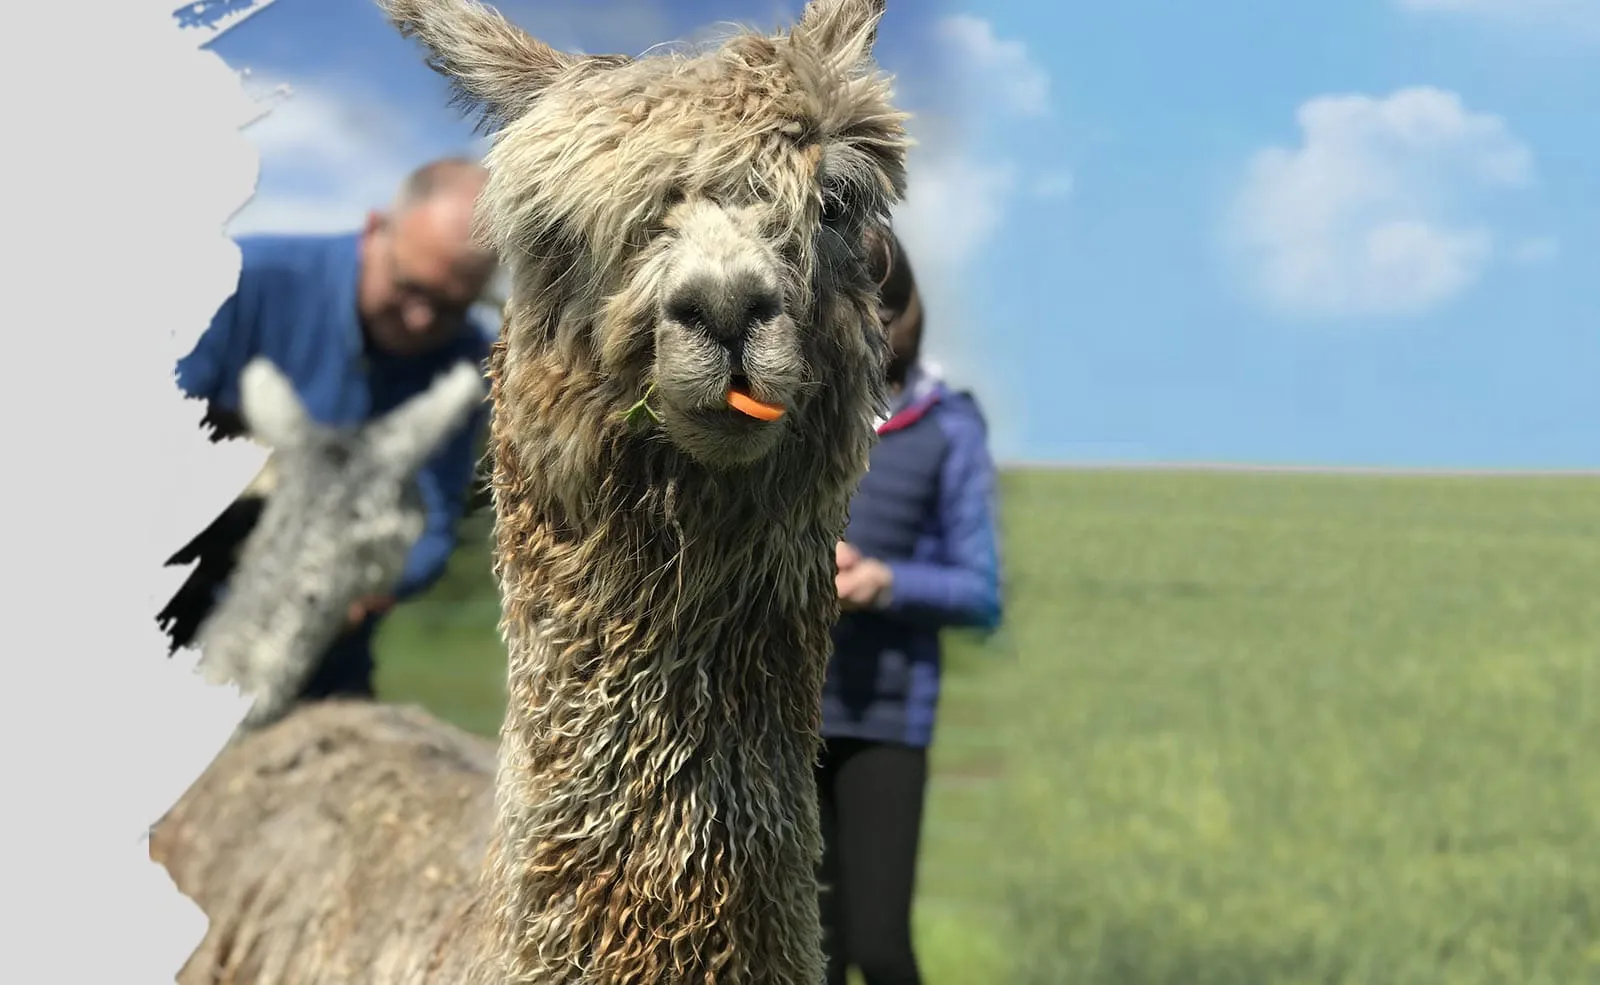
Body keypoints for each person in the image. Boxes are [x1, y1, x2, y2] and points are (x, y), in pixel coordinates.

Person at [164, 156, 498, 703]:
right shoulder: (243, 282)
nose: (421, 321)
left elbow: (434, 522)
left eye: (450, 307)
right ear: (375, 229)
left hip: (323, 654)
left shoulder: (463, 367)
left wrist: (361, 586)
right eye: (411, 288)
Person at [817, 229, 1005, 985]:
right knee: (812, 952)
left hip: (885, 719)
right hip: (780, 713)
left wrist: (885, 582)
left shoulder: (947, 424)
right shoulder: (781, 420)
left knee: (881, 946)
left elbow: (980, 589)